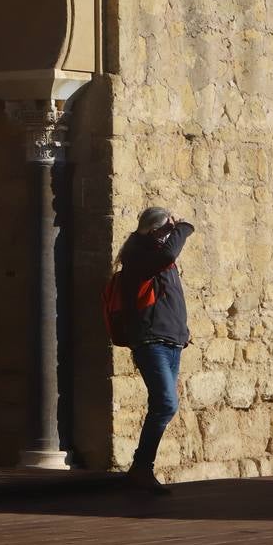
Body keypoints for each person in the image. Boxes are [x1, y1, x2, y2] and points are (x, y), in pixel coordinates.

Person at [116, 206, 194, 494]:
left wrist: (182, 332)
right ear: (154, 231)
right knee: (166, 404)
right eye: (167, 230)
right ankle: (141, 468)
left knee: (162, 405)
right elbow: (169, 253)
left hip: (172, 341)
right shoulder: (137, 255)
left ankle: (141, 469)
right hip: (151, 342)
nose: (172, 235)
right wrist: (183, 227)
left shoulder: (158, 261)